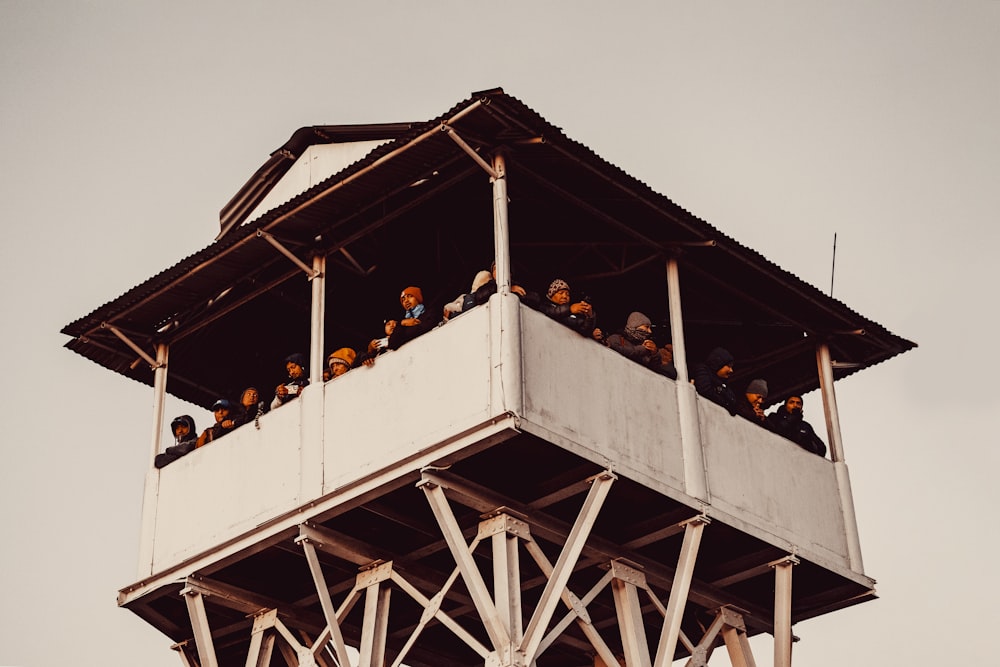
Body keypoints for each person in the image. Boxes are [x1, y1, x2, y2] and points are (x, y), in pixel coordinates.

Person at [605, 311, 677, 379]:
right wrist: (643, 349)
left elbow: (670, 374)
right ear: (635, 325)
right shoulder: (616, 338)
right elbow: (617, 351)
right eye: (646, 327)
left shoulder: (649, 347)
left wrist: (655, 354)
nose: (650, 331)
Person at [534, 278, 598, 337]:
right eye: (560, 293)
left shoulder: (571, 315)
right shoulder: (544, 305)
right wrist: (570, 309)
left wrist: (589, 316)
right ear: (551, 296)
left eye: (567, 294)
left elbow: (584, 329)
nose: (565, 296)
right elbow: (551, 312)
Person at [692, 347, 738, 414]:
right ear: (718, 363)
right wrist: (726, 401)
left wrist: (720, 391)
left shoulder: (725, 382)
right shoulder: (702, 370)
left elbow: (734, 404)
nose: (731, 370)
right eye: (729, 366)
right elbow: (705, 391)